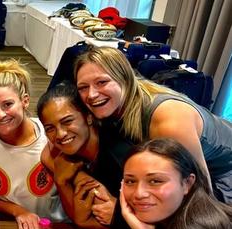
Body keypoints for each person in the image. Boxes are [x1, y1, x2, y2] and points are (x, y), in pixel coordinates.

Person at [75, 46, 232, 204]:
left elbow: (199, 196)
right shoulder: (117, 103)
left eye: (102, 82)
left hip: (220, 178)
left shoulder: (168, 119)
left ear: (125, 79)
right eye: (83, 87)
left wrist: (119, 214)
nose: (92, 94)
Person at [0, 58, 65, 229]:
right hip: (3, 228)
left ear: (25, 101)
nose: (0, 115)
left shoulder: (50, 135)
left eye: (8, 104)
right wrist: (17, 211)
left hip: (53, 228)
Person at [38, 83, 115, 229]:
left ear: (89, 117)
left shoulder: (119, 155)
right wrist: (62, 182)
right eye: (50, 128)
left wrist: (120, 216)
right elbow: (79, 219)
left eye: (67, 121)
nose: (60, 134)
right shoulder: (58, 157)